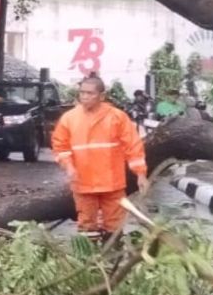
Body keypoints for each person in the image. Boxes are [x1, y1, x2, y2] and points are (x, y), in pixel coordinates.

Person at [51, 75, 149, 236]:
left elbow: (133, 147)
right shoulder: (69, 119)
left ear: (102, 96)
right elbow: (60, 147)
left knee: (115, 227)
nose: (84, 97)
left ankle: (112, 258)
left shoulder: (117, 117)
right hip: (83, 183)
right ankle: (89, 260)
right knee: (87, 227)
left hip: (112, 184)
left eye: (90, 93)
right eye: (82, 93)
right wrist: (69, 167)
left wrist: (141, 174)